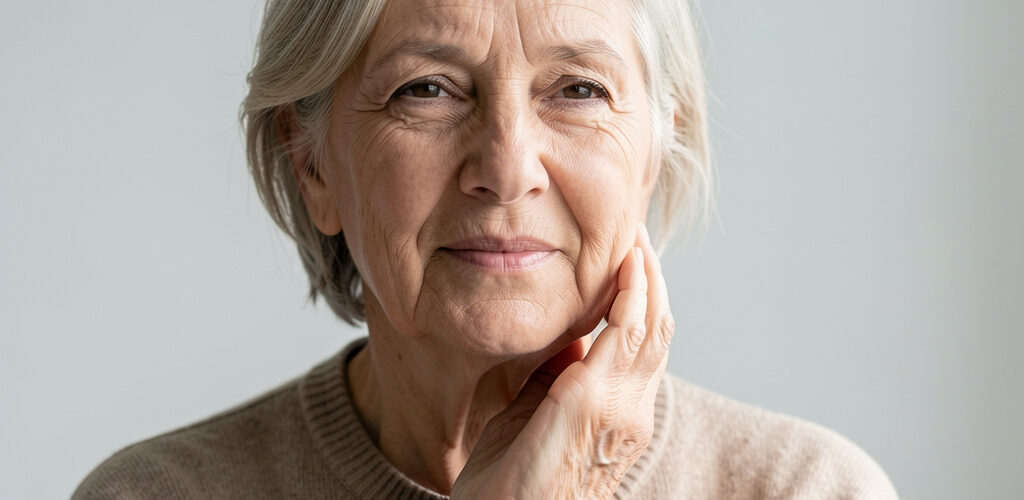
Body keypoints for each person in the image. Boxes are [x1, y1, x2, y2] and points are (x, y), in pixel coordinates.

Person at [73, 0, 899, 498]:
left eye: (579, 90)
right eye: (426, 90)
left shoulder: (805, 491)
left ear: (655, 147)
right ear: (312, 162)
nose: (506, 171)